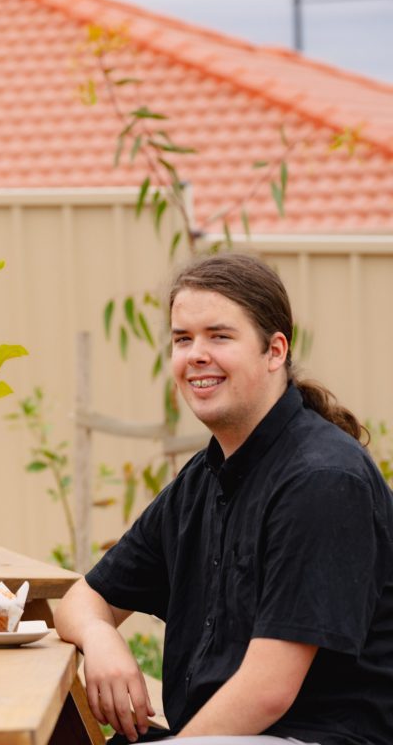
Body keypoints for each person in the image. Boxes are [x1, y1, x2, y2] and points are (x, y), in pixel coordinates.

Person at [55, 252, 393, 745]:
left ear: (274, 351)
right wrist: (102, 638)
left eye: (219, 336)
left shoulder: (322, 480)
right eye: (182, 339)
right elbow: (80, 601)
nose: (196, 354)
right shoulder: (205, 476)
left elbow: (268, 691)